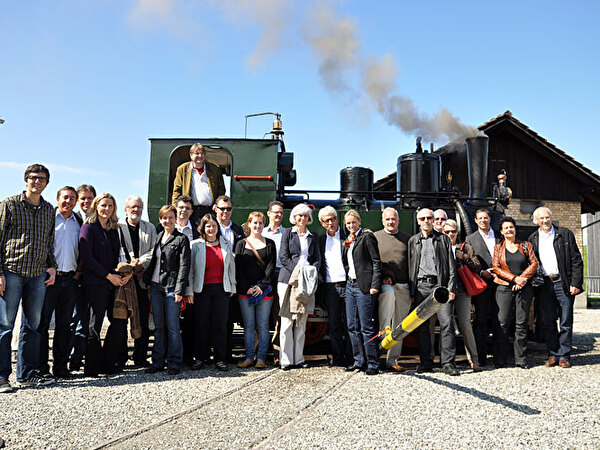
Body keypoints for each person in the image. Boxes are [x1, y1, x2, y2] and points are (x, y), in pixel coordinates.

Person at [0, 164, 58, 392]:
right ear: (26, 180)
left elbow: (48, 243)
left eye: (42, 179)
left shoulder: (48, 210)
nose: (37, 182)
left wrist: (51, 267)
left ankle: (26, 374)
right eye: (33, 178)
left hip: (37, 275)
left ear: (46, 183)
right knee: (5, 325)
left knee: (32, 326)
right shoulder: (9, 205)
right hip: (12, 271)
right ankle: (2, 377)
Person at [79, 193, 131, 377]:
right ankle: (92, 368)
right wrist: (108, 276)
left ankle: (108, 362)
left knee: (118, 322)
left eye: (110, 206)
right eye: (103, 205)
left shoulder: (112, 229)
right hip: (95, 283)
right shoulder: (88, 228)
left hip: (113, 282)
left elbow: (118, 255)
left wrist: (124, 273)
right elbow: (88, 258)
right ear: (96, 206)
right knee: (94, 324)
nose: (107, 209)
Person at [528, 207, 583, 368]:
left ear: (551, 218)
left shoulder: (565, 234)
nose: (545, 221)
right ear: (536, 221)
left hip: (563, 283)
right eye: (541, 218)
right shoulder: (533, 238)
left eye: (547, 217)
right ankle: (553, 354)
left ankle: (565, 356)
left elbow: (576, 260)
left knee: (566, 320)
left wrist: (575, 283)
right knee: (548, 321)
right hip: (544, 285)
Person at [408, 208, 459, 375]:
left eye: (429, 217)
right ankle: (425, 363)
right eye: (422, 218)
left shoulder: (443, 239)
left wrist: (451, 289)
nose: (426, 220)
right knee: (422, 327)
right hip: (421, 288)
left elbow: (452, 267)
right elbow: (410, 268)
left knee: (447, 324)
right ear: (418, 221)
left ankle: (448, 364)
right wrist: (412, 292)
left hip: (441, 288)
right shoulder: (413, 241)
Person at [38, 186, 82, 380]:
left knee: (65, 326)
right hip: (49, 279)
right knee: (43, 324)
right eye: (65, 197)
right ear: (58, 199)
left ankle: (60, 366)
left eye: (72, 198)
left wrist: (78, 273)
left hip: (70, 279)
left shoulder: (78, 222)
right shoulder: (49, 220)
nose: (68, 201)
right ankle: (41, 367)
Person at [143, 205, 191, 375]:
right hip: (156, 287)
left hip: (172, 288)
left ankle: (174, 362)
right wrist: (148, 283)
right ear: (160, 219)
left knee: (172, 327)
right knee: (158, 327)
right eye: (164, 218)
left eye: (171, 217)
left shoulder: (181, 239)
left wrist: (180, 290)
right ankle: (157, 362)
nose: (168, 221)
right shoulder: (158, 237)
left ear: (176, 219)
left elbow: (184, 266)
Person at [187, 214, 236, 371]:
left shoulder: (226, 243)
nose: (211, 229)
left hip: (222, 289)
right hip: (201, 290)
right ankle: (200, 358)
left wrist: (232, 286)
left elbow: (231, 267)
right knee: (201, 325)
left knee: (221, 325)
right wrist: (190, 291)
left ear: (218, 228)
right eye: (208, 226)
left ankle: (220, 359)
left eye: (214, 226)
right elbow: (191, 271)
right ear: (203, 228)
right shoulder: (195, 245)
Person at [277, 204, 321, 370]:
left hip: (307, 281)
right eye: (299, 215)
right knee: (287, 320)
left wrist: (311, 272)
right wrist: (298, 272)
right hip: (288, 280)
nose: (302, 218)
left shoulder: (313, 236)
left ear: (309, 218)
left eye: (305, 216)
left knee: (301, 320)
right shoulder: (287, 233)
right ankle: (286, 360)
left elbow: (317, 259)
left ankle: (299, 358)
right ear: (294, 217)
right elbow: (284, 257)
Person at [492, 217, 539, 369]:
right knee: (503, 323)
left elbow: (534, 263)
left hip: (524, 288)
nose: (509, 230)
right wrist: (514, 279)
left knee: (521, 324)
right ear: (502, 231)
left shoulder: (526, 245)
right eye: (506, 228)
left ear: (515, 229)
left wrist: (522, 279)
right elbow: (496, 268)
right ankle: (500, 359)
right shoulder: (498, 248)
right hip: (504, 287)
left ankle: (520, 359)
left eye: (511, 227)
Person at [118, 195, 157, 367]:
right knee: (120, 320)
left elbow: (154, 250)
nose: (136, 210)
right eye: (133, 207)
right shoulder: (117, 227)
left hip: (142, 281)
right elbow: (116, 248)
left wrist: (139, 263)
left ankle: (140, 357)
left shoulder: (149, 228)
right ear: (126, 209)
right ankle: (120, 357)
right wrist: (127, 266)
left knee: (142, 320)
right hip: (123, 281)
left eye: (139, 207)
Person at [234, 212, 276, 369]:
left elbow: (271, 268)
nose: (257, 226)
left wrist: (261, 287)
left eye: (260, 223)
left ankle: (261, 358)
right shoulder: (241, 244)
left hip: (264, 292)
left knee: (264, 325)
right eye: (254, 223)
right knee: (249, 325)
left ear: (263, 225)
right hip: (246, 292)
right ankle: (249, 357)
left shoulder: (270, 244)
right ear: (249, 224)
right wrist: (247, 288)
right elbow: (238, 269)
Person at [342, 210, 382, 376]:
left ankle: (373, 363)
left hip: (363, 286)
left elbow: (376, 261)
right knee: (352, 326)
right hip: (349, 286)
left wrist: (375, 284)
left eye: (353, 222)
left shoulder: (367, 237)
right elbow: (347, 262)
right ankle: (359, 361)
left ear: (359, 221)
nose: (351, 225)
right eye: (348, 223)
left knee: (366, 326)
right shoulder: (350, 240)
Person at [373, 207, 411, 372]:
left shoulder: (407, 239)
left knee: (400, 325)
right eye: (387, 219)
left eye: (393, 219)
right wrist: (382, 277)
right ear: (383, 221)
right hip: (385, 285)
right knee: (385, 320)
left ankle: (392, 360)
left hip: (403, 286)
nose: (390, 222)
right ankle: (379, 353)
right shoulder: (375, 237)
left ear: (398, 220)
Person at [442, 219, 482, 372]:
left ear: (457, 232)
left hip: (462, 291)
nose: (450, 234)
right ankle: (444, 361)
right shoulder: (439, 246)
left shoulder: (465, 247)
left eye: (453, 231)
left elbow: (477, 266)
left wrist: (463, 257)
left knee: (466, 325)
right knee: (446, 326)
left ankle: (474, 359)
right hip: (445, 292)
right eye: (447, 232)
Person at [165, 195, 200, 366]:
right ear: (175, 209)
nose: (183, 210)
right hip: (170, 283)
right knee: (170, 323)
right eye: (181, 207)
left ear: (191, 211)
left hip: (190, 281)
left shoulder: (196, 230)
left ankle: (188, 357)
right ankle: (169, 356)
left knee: (189, 321)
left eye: (187, 208)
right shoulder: (165, 227)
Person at [318, 206, 353, 368]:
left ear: (337, 219)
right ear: (322, 223)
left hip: (348, 286)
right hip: (330, 288)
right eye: (327, 220)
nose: (331, 222)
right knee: (334, 325)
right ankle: (338, 358)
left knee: (350, 324)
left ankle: (351, 358)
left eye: (333, 218)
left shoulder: (348, 236)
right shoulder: (320, 240)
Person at [465, 209, 500, 367]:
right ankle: (481, 357)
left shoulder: (499, 236)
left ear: (490, 219)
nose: (483, 221)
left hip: (501, 283)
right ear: (476, 220)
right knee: (481, 321)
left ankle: (500, 357)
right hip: (482, 283)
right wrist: (481, 272)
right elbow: (471, 261)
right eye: (480, 218)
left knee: (500, 320)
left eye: (486, 218)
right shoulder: (470, 239)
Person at [213, 195, 244, 362]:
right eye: (222, 208)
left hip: (231, 281)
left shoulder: (238, 231)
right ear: (215, 209)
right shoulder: (208, 228)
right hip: (213, 279)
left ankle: (225, 355)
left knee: (228, 320)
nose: (225, 212)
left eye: (228, 209)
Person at [69, 183, 97, 371]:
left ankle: (83, 356)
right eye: (83, 198)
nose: (86, 201)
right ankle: (74, 358)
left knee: (87, 320)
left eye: (89, 198)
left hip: (93, 276)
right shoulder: (73, 219)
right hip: (74, 275)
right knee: (74, 319)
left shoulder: (98, 219)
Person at [172, 143, 225, 227]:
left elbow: (221, 189)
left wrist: (218, 204)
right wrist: (176, 209)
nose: (200, 156)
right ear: (191, 155)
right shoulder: (182, 169)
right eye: (197, 153)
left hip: (210, 210)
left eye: (202, 153)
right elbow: (177, 190)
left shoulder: (215, 169)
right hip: (191, 211)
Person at [262, 201, 285, 358]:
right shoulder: (261, 233)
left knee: (279, 315)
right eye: (275, 212)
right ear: (268, 213)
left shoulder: (288, 233)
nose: (278, 215)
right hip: (263, 276)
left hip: (281, 274)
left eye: (281, 213)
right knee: (261, 316)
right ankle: (259, 351)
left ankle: (277, 350)